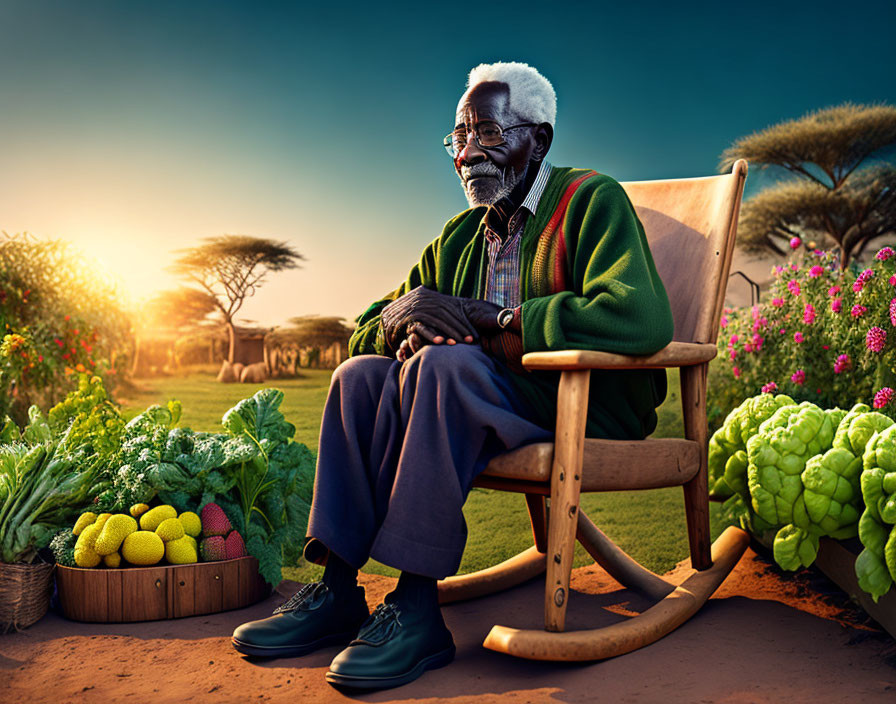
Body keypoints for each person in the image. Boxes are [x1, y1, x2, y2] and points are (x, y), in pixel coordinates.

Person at [231, 61, 674, 690]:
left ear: (538, 139)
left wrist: (491, 318)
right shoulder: (462, 234)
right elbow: (372, 322)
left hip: (580, 404)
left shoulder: (590, 200)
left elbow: (639, 317)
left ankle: (416, 609)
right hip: (480, 398)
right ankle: (336, 591)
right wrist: (400, 319)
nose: (467, 153)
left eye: (487, 134)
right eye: (458, 138)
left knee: (443, 366)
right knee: (359, 376)